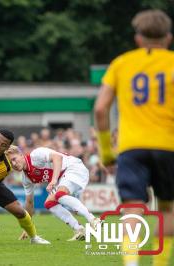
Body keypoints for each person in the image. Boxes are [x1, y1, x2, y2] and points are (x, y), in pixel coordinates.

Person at [94, 9, 174, 266]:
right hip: (168, 146)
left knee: (132, 207)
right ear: (169, 38)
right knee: (167, 209)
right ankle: (160, 263)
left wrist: (106, 151)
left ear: (138, 38)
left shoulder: (122, 63)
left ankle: (131, 263)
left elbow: (100, 108)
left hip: (131, 146)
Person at [6, 146, 100, 241]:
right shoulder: (26, 179)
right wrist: (28, 227)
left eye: (14, 159)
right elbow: (29, 202)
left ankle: (93, 220)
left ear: (21, 155)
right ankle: (79, 230)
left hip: (73, 167)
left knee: (60, 195)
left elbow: (58, 157)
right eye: (11, 162)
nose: (14, 164)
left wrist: (54, 180)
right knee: (49, 203)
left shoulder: (36, 155)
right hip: (62, 177)